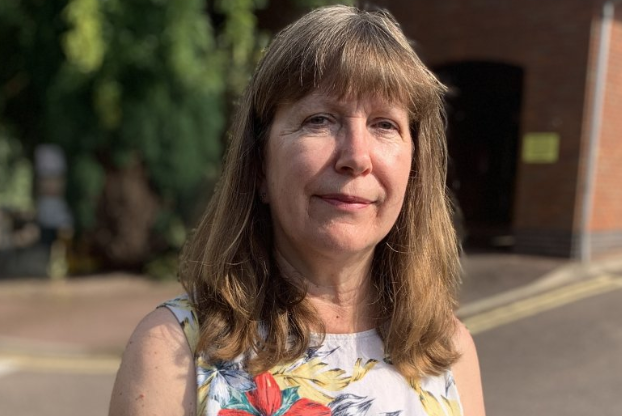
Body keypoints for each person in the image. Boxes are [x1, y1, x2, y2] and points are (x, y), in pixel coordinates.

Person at [109, 5, 485, 416]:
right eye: (320, 120)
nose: (357, 157)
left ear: (414, 170)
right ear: (259, 167)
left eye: (384, 125)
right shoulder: (172, 352)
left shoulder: (448, 351)